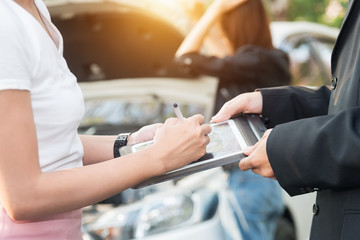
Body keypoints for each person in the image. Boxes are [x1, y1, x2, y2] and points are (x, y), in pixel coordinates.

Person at [0, 0, 211, 239]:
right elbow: (24, 196)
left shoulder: (35, 9)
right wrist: (158, 157)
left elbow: (49, 143)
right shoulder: (4, 23)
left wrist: (129, 143)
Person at [212, 0, 360, 239]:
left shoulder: (253, 59)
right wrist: (273, 103)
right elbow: (345, 102)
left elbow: (186, 60)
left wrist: (286, 147)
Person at [174, 0, 290, 239]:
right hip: (260, 175)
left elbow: (185, 57)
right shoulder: (263, 61)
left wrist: (215, 10)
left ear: (233, 27)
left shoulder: (253, 60)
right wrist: (204, 16)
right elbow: (221, 54)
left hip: (250, 176)